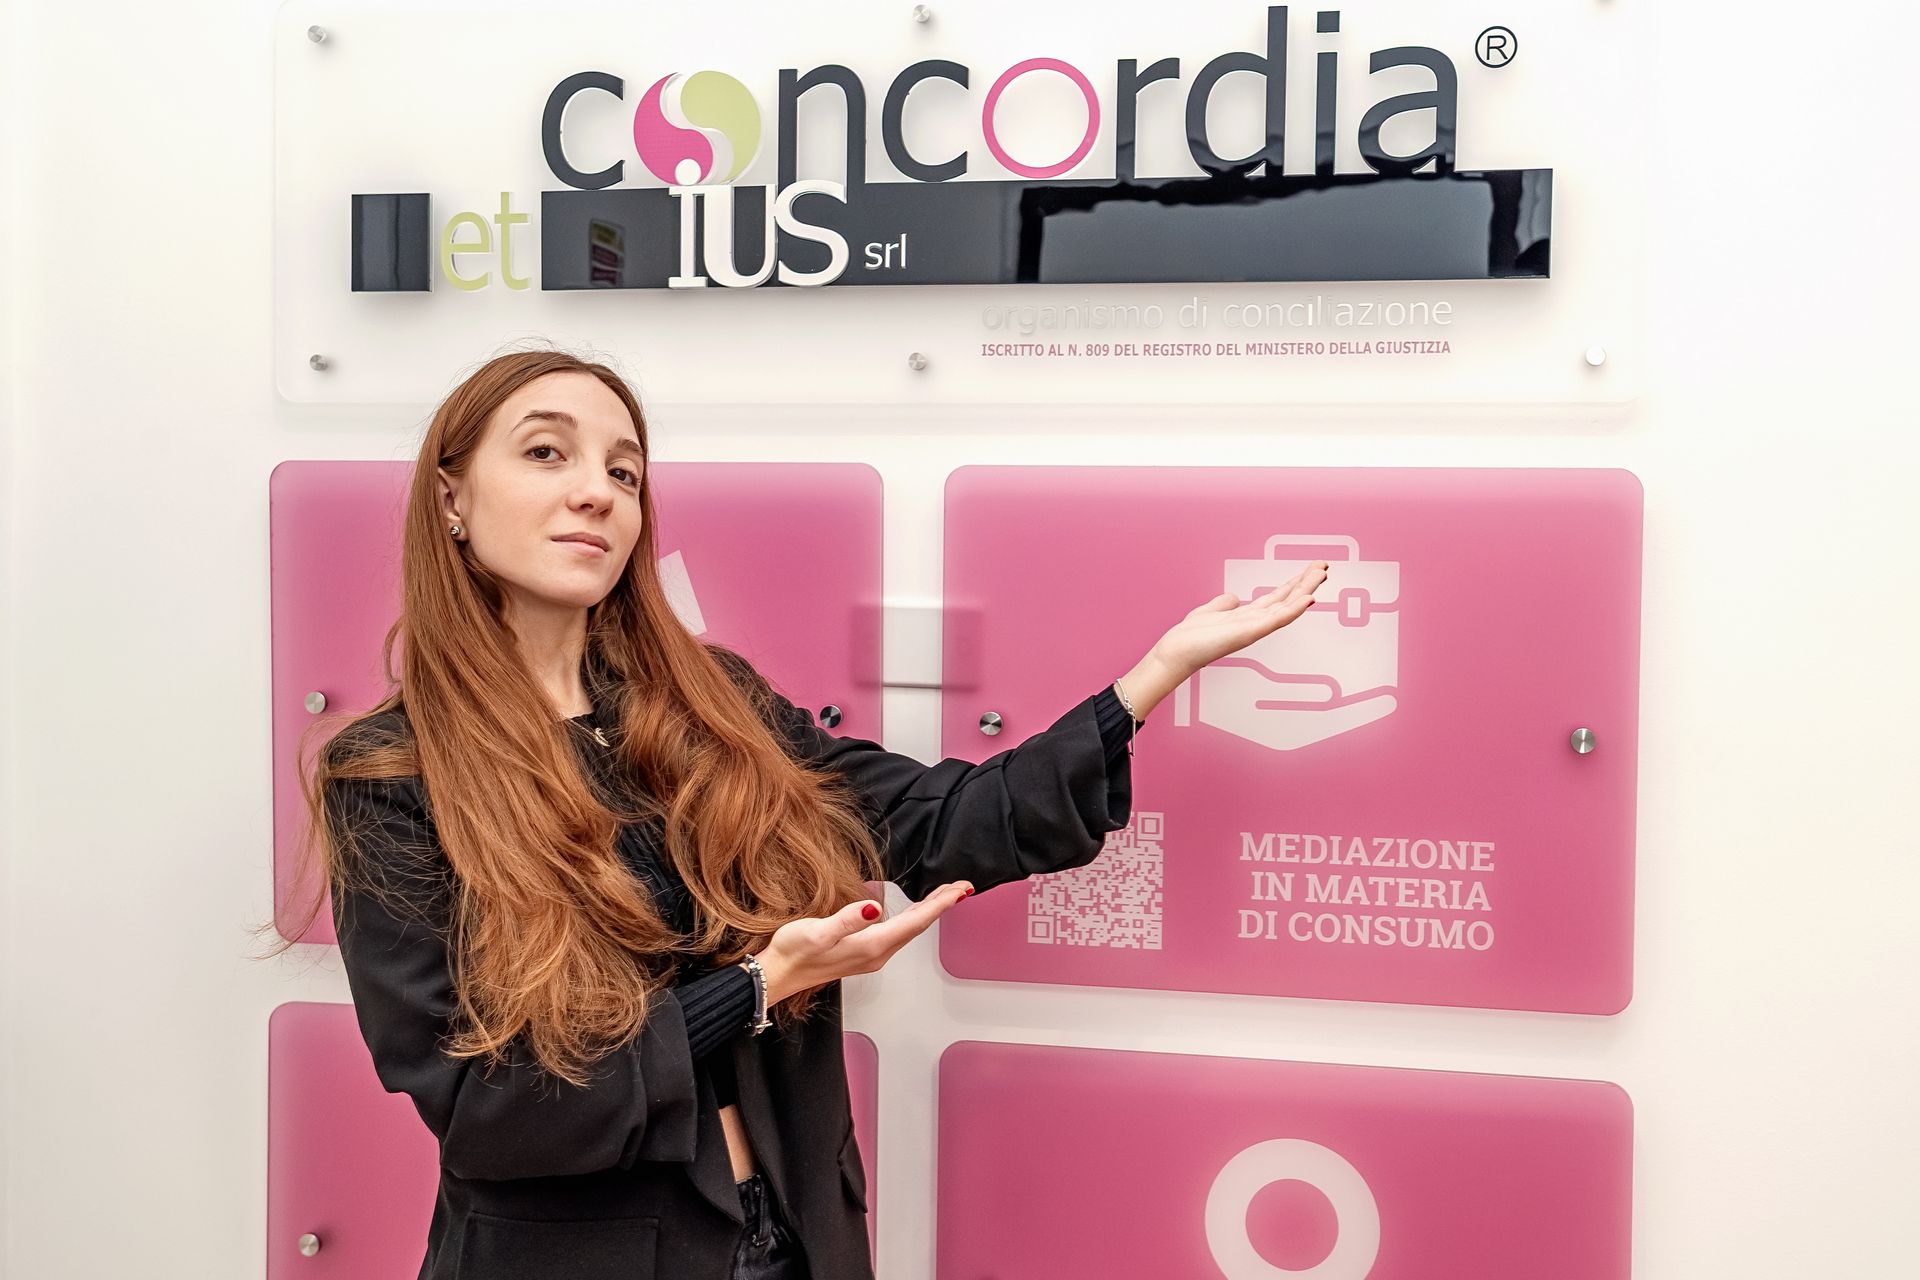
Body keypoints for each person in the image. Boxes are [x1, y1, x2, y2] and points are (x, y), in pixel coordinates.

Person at [277, 348, 1329, 1280]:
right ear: (452, 499)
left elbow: (941, 819)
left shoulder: (713, 707)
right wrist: (759, 985)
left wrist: (1150, 678)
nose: (595, 491)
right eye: (547, 454)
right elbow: (488, 1111)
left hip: (789, 1238)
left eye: (624, 471)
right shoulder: (392, 777)